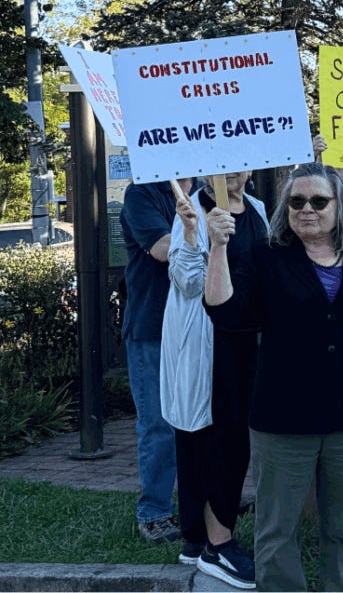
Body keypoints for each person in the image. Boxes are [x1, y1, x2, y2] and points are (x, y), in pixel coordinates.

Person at [204, 163, 343, 591]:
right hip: (283, 416)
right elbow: (225, 312)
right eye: (296, 201)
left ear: (341, 205)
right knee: (276, 532)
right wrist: (217, 248)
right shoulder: (266, 255)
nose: (307, 209)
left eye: (319, 201)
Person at [162, 172, 269, 586]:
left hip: (248, 343)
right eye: (224, 164)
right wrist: (193, 235)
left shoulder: (258, 209)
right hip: (209, 343)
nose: (234, 173)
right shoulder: (194, 210)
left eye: (241, 163)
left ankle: (198, 537)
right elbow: (186, 281)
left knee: (231, 439)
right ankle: (217, 544)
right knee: (211, 441)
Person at [120, 176, 194, 543]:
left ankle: (204, 502)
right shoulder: (141, 192)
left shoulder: (211, 188)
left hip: (200, 325)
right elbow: (163, 249)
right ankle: (154, 512)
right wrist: (205, 236)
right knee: (159, 425)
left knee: (203, 418)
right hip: (154, 326)